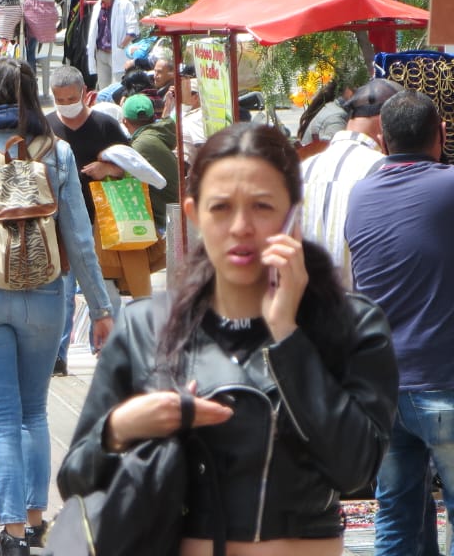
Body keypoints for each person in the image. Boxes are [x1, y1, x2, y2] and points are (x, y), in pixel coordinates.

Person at [61, 122, 398, 556]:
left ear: (294, 212)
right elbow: (75, 479)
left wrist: (288, 337)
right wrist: (122, 427)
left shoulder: (352, 324)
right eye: (221, 208)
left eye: (262, 206)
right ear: (193, 213)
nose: (241, 227)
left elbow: (355, 469)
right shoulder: (147, 326)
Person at [0, 59, 114, 555]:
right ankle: (35, 523)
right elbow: (79, 236)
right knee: (35, 412)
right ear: (32, 96)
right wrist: (99, 308)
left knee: (3, 419)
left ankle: (10, 537)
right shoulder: (59, 153)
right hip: (47, 292)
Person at [345, 89, 454, 555]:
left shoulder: (362, 192)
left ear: (383, 142)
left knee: (395, 512)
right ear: (441, 134)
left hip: (381, 387)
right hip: (441, 382)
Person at [47, 65, 130, 376]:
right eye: (59, 98)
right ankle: (58, 355)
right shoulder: (47, 126)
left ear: (84, 94)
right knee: (63, 294)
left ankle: (107, 353)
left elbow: (132, 167)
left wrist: (106, 169)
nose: (66, 103)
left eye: (71, 97)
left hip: (102, 223)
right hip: (59, 225)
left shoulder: (105, 125)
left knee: (104, 293)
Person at [299, 77, 398, 288]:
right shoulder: (384, 172)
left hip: (307, 310)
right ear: (384, 122)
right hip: (362, 313)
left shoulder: (303, 169)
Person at [120, 94, 179, 231]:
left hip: (163, 224)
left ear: (125, 122)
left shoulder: (140, 145)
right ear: (153, 118)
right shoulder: (156, 135)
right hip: (172, 216)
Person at [84, 0, 139, 88]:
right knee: (103, 89)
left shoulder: (125, 5)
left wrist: (121, 45)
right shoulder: (97, 6)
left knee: (118, 88)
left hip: (118, 53)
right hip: (101, 53)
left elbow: (133, 29)